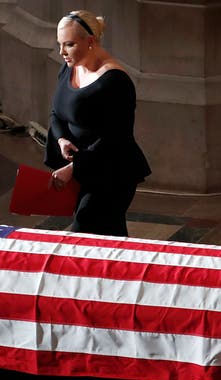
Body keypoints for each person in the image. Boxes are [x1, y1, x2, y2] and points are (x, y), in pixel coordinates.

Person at [44, 10, 151, 237]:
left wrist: (74, 168)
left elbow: (116, 138)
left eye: (69, 44)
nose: (62, 52)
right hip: (84, 168)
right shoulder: (68, 67)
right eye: (60, 44)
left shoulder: (115, 82)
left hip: (112, 172)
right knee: (107, 238)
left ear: (90, 41)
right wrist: (62, 139)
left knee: (88, 228)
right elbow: (57, 113)